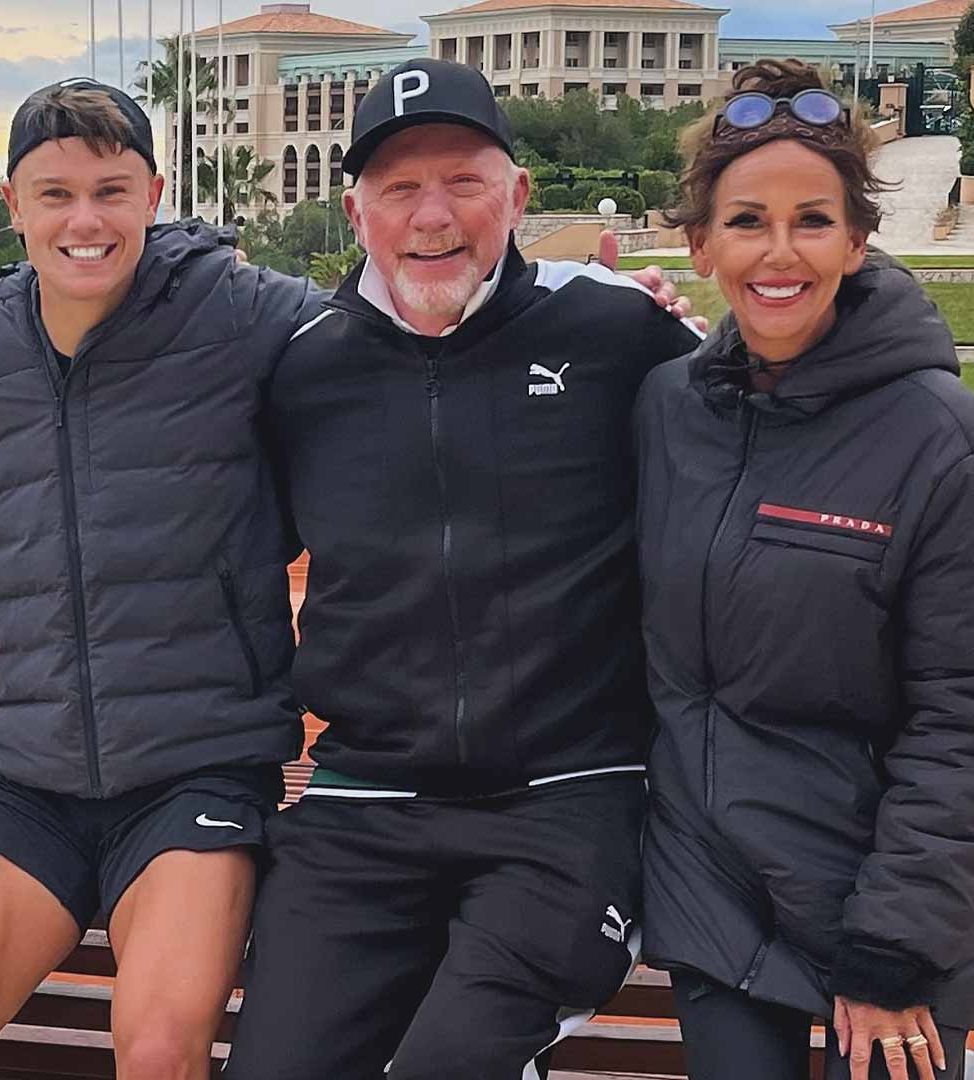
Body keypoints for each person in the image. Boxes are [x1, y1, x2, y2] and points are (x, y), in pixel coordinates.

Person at [218, 58, 705, 1079]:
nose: (430, 215)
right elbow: (213, 548)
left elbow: (760, 450)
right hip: (366, 802)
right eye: (398, 187)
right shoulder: (304, 367)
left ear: (518, 197)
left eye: (463, 181)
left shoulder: (621, 334)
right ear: (356, 213)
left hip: (569, 797)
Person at [0, 79, 321, 1080]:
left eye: (112, 191)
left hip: (196, 771)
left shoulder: (244, 315)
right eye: (55, 193)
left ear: (154, 192)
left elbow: (397, 338)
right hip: (26, 773)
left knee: (160, 1048)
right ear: (12, 203)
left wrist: (587, 305)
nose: (85, 220)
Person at [634, 59, 974, 1080]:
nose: (780, 252)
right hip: (715, 890)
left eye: (812, 220)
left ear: (859, 241)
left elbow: (969, 719)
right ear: (699, 244)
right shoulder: (667, 410)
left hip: (894, 899)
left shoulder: (948, 442)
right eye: (746, 221)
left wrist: (896, 948)